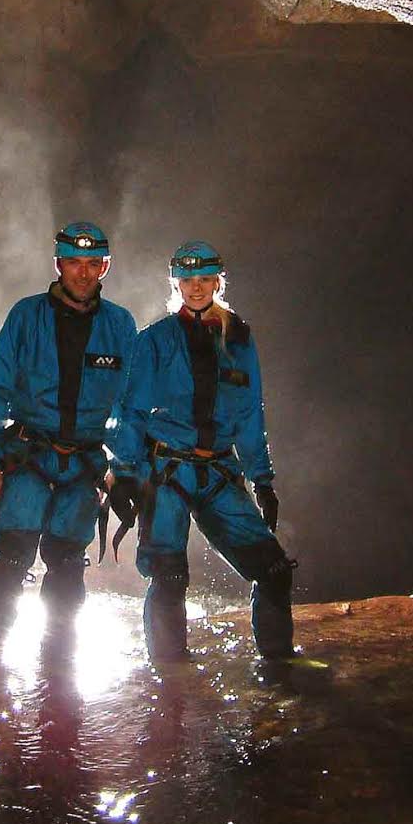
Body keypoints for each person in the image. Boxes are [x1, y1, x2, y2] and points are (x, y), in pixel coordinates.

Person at [108, 239, 295, 662]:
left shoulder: (239, 339)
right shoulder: (155, 340)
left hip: (218, 473)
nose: (196, 288)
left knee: (273, 571)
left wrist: (261, 480)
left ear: (217, 281)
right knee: (169, 577)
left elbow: (249, 413)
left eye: (204, 279)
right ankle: (168, 675)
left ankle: (280, 669)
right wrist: (123, 471)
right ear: (176, 283)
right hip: (167, 472)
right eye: (187, 280)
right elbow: (131, 409)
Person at [0, 221, 138, 664]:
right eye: (74, 262)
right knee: (12, 562)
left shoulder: (120, 326)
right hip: (29, 456)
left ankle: (56, 669)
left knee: (66, 569)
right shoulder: (26, 316)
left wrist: (122, 466)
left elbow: (128, 402)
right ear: (58, 263)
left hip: (82, 466)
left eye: (93, 264)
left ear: (106, 267)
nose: (83, 273)